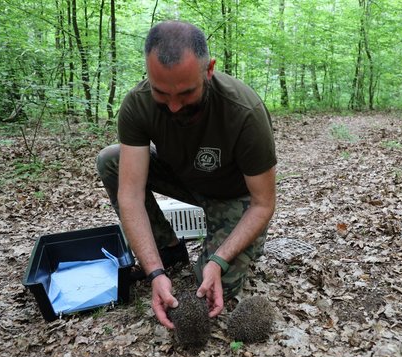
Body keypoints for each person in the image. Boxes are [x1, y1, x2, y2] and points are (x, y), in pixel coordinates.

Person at [96, 20, 276, 329]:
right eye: (162, 93)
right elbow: (130, 194)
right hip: (185, 178)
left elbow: (263, 203)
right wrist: (154, 271)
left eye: (186, 93)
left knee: (207, 288)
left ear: (209, 70)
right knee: (110, 159)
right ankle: (168, 250)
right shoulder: (137, 106)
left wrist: (219, 260)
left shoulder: (243, 111)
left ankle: (218, 254)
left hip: (234, 195)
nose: (175, 106)